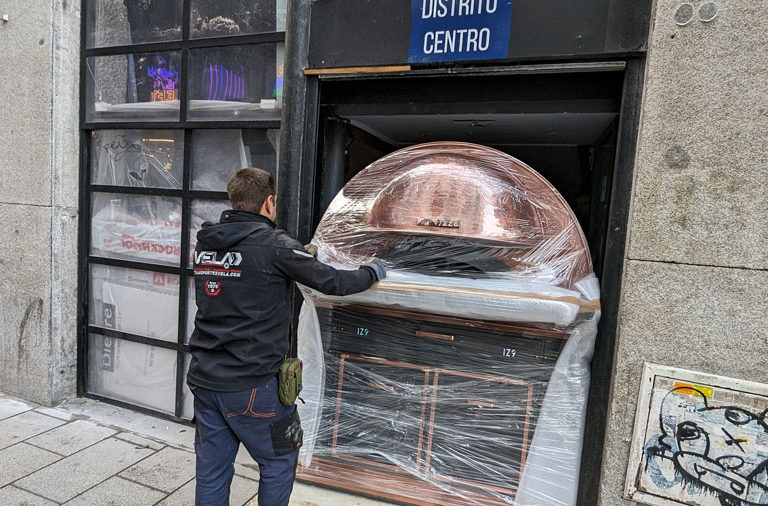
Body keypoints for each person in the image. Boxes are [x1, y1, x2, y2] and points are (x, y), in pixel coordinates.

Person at [188, 167, 386, 505]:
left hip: (206, 380)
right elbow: (334, 283)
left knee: (212, 470)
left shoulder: (206, 244)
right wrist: (373, 270)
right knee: (279, 459)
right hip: (254, 385)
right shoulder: (275, 246)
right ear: (269, 202)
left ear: (234, 201)